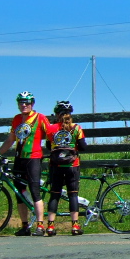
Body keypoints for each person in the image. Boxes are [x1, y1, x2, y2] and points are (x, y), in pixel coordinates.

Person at [0, 91, 51, 236]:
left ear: (32, 104)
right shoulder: (16, 119)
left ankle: (40, 225)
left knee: (35, 190)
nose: (24, 105)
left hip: (33, 158)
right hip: (19, 159)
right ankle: (25, 226)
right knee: (19, 193)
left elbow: (51, 134)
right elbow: (10, 140)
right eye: (21, 102)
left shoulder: (40, 118)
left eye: (27, 102)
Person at [44, 100, 87, 236]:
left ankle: (50, 226)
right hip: (72, 165)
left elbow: (47, 146)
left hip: (56, 165)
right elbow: (83, 146)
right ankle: (75, 225)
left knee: (55, 194)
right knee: (73, 194)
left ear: (57, 114)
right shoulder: (76, 128)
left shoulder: (50, 129)